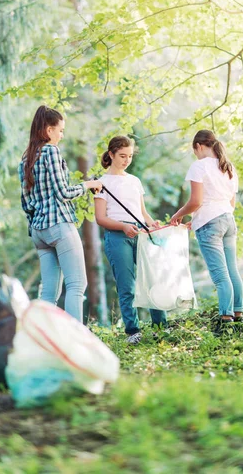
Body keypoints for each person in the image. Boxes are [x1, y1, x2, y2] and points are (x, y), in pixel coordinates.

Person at [18, 105, 102, 322]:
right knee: (76, 284)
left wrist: (38, 223)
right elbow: (63, 192)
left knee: (48, 293)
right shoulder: (51, 151)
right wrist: (88, 184)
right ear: (48, 130)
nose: (62, 136)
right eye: (60, 130)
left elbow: (26, 203)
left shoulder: (25, 158)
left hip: (39, 232)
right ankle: (77, 342)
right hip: (59, 225)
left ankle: (46, 341)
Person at [94, 135, 167, 344]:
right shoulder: (101, 183)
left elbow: (142, 212)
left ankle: (160, 328)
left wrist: (153, 225)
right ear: (111, 154)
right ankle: (133, 331)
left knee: (153, 280)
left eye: (130, 156)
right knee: (127, 286)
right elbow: (101, 218)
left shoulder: (134, 181)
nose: (127, 160)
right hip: (118, 237)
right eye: (122, 156)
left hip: (141, 235)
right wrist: (124, 226)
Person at [170, 130, 243, 335]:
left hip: (210, 225)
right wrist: (197, 218)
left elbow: (196, 201)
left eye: (195, 151)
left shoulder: (199, 166)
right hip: (228, 221)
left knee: (220, 275)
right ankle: (238, 316)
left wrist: (178, 215)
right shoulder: (228, 168)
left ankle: (226, 320)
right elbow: (231, 203)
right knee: (232, 271)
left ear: (199, 146)